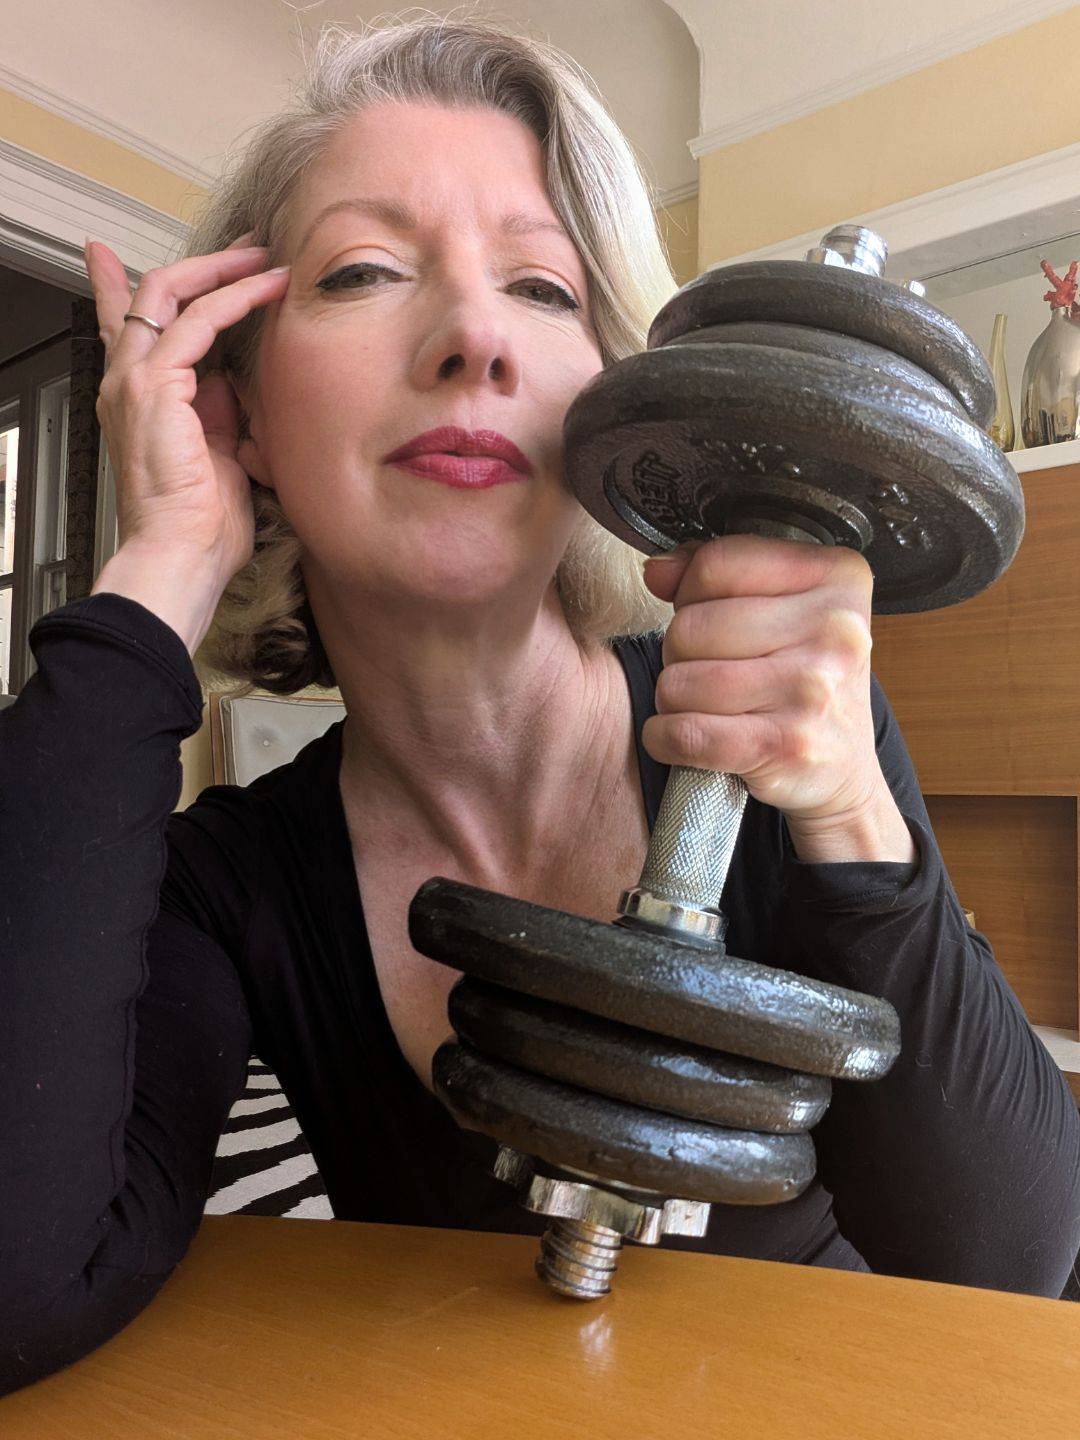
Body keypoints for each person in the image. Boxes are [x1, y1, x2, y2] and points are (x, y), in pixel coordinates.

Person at [1, 15, 1077, 1399]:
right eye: (364, 270)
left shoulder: (780, 743)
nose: (474, 338)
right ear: (241, 407)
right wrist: (157, 566)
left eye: (543, 289)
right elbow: (20, 1289)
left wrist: (859, 822)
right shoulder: (230, 886)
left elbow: (1007, 1266)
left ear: (615, 404)